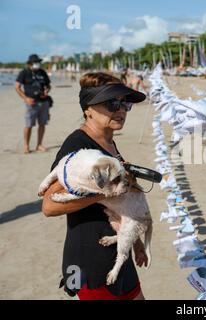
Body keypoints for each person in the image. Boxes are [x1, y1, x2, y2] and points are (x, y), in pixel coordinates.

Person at [41, 72, 149, 300]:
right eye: (112, 103)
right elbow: (49, 206)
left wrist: (137, 241)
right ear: (88, 108)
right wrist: (105, 191)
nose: (120, 109)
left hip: (117, 248)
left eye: (124, 103)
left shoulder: (108, 141)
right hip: (90, 260)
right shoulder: (77, 146)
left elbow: (119, 200)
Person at [15, 54, 52, 154]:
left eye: (38, 62)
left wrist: (47, 91)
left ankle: (39, 145)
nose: (38, 64)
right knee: (29, 125)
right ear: (30, 63)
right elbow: (17, 87)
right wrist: (26, 98)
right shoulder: (24, 72)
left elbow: (48, 85)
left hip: (44, 102)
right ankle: (26, 146)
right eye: (36, 62)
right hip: (31, 103)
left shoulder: (42, 72)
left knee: (42, 124)